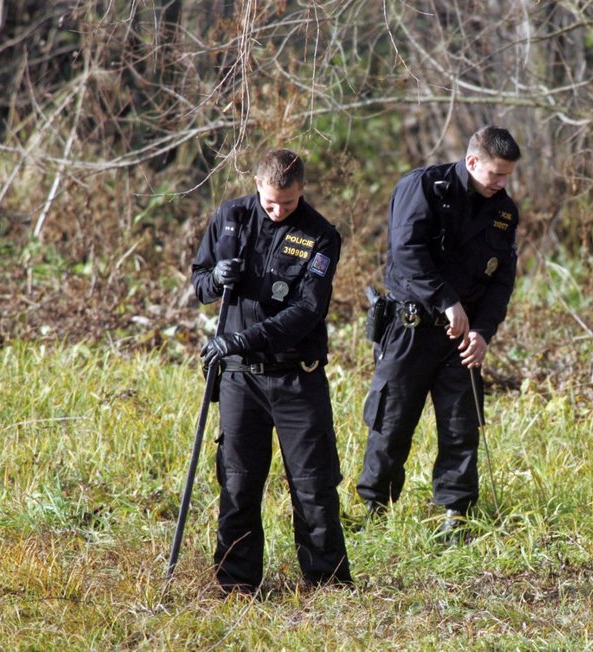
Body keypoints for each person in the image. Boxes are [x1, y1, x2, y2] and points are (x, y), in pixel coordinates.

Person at [191, 147, 351, 593]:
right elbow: (199, 282)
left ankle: (327, 584)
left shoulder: (321, 235)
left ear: (302, 190)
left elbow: (307, 310)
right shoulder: (230, 217)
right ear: (258, 185)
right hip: (241, 378)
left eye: (288, 202)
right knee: (238, 483)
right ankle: (236, 584)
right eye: (270, 201)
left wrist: (241, 339)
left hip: (297, 377)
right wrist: (215, 277)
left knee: (314, 486)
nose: (278, 210)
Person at [356, 125, 522, 537]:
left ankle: (456, 515)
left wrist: (483, 332)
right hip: (412, 327)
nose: (501, 184)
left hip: (461, 339)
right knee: (391, 423)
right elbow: (407, 253)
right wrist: (447, 301)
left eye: (507, 176)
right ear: (472, 162)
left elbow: (501, 281)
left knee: (460, 427)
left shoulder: (503, 211)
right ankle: (375, 512)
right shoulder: (424, 187)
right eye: (495, 175)